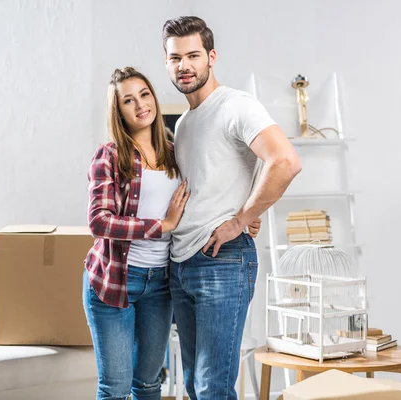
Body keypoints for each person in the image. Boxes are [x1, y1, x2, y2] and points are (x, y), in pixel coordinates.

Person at [162, 16, 302, 400]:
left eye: (193, 55)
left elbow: (284, 160)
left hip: (222, 261)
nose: (184, 65)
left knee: (213, 388)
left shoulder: (236, 105)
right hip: (182, 261)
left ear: (212, 57)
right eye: (175, 58)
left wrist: (243, 219)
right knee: (193, 386)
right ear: (167, 63)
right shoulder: (186, 122)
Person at [83, 66, 189, 400]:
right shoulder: (110, 156)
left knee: (147, 384)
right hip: (114, 279)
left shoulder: (176, 154)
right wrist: (162, 226)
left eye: (144, 94)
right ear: (119, 111)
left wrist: (247, 217)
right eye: (128, 100)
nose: (140, 104)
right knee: (114, 387)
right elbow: (99, 221)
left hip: (160, 284)